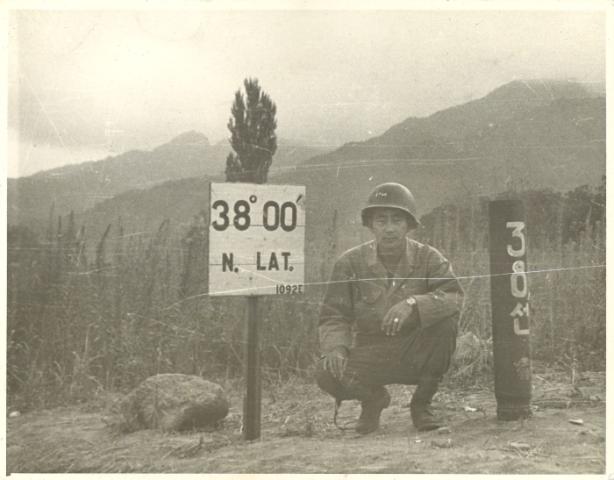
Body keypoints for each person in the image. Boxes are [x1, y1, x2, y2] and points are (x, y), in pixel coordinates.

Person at [316, 182, 463, 434]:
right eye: (381, 220)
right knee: (325, 371)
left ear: (408, 225)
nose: (389, 229)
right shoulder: (349, 263)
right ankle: (372, 401)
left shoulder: (429, 258)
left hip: (415, 350)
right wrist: (337, 347)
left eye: (397, 220)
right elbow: (334, 315)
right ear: (371, 225)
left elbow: (453, 296)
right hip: (372, 351)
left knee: (446, 322)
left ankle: (422, 405)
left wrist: (414, 303)